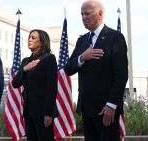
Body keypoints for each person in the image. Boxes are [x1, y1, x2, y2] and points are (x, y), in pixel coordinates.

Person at [64, 0, 128, 141]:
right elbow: (68, 69)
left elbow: (121, 75)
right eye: (81, 14)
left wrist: (111, 105)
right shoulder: (82, 41)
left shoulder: (115, 38)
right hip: (87, 109)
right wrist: (82, 58)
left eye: (87, 13)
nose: (83, 17)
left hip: (106, 110)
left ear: (100, 14)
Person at [12, 29, 58, 141]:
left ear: (41, 42)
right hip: (29, 111)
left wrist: (48, 113)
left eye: (33, 38)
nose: (29, 39)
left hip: (43, 111)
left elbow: (51, 88)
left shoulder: (49, 59)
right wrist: (24, 69)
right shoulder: (25, 61)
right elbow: (15, 83)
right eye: (29, 37)